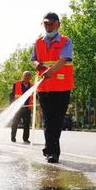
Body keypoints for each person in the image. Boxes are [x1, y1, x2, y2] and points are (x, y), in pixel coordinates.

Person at [31, 12, 74, 163]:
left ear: (58, 24)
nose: (48, 27)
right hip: (44, 88)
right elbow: (33, 59)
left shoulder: (65, 41)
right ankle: (51, 151)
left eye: (51, 24)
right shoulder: (38, 42)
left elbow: (64, 59)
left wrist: (51, 71)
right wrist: (37, 65)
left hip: (62, 88)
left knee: (57, 120)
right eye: (45, 24)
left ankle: (51, 150)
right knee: (48, 121)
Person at [10, 71, 33, 144]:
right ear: (23, 76)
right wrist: (11, 105)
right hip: (17, 108)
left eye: (28, 76)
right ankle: (13, 137)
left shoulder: (32, 86)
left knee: (26, 124)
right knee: (15, 123)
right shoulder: (16, 84)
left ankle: (25, 139)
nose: (27, 77)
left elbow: (35, 96)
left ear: (30, 78)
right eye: (25, 76)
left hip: (27, 108)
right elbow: (11, 95)